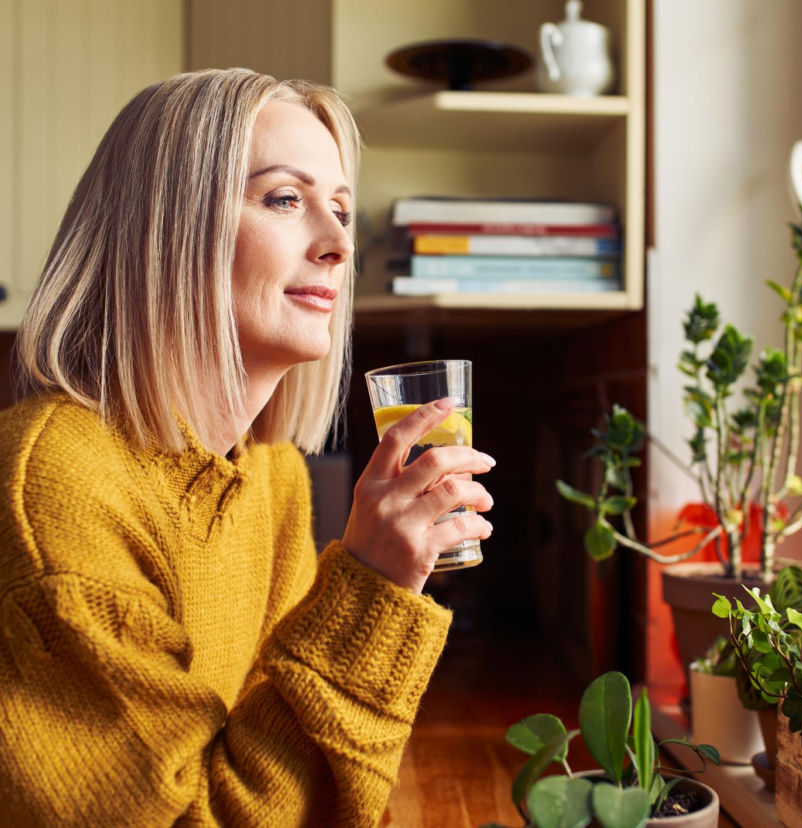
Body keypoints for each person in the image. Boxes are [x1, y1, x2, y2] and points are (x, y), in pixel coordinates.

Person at [0, 67, 495, 826]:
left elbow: (296, 771)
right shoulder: (57, 487)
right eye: (285, 200)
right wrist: (368, 589)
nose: (337, 245)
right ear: (165, 224)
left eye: (340, 210)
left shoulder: (271, 476)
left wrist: (384, 587)